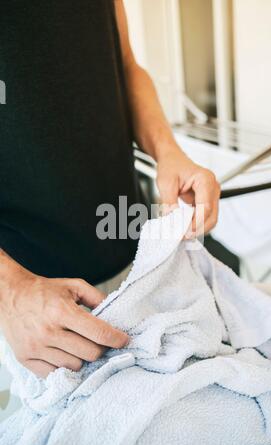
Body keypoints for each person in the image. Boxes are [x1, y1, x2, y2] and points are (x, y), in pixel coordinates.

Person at [0, 0, 220, 377]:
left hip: (129, 250)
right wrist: (12, 292)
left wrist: (168, 152)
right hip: (27, 299)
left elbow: (125, 64)